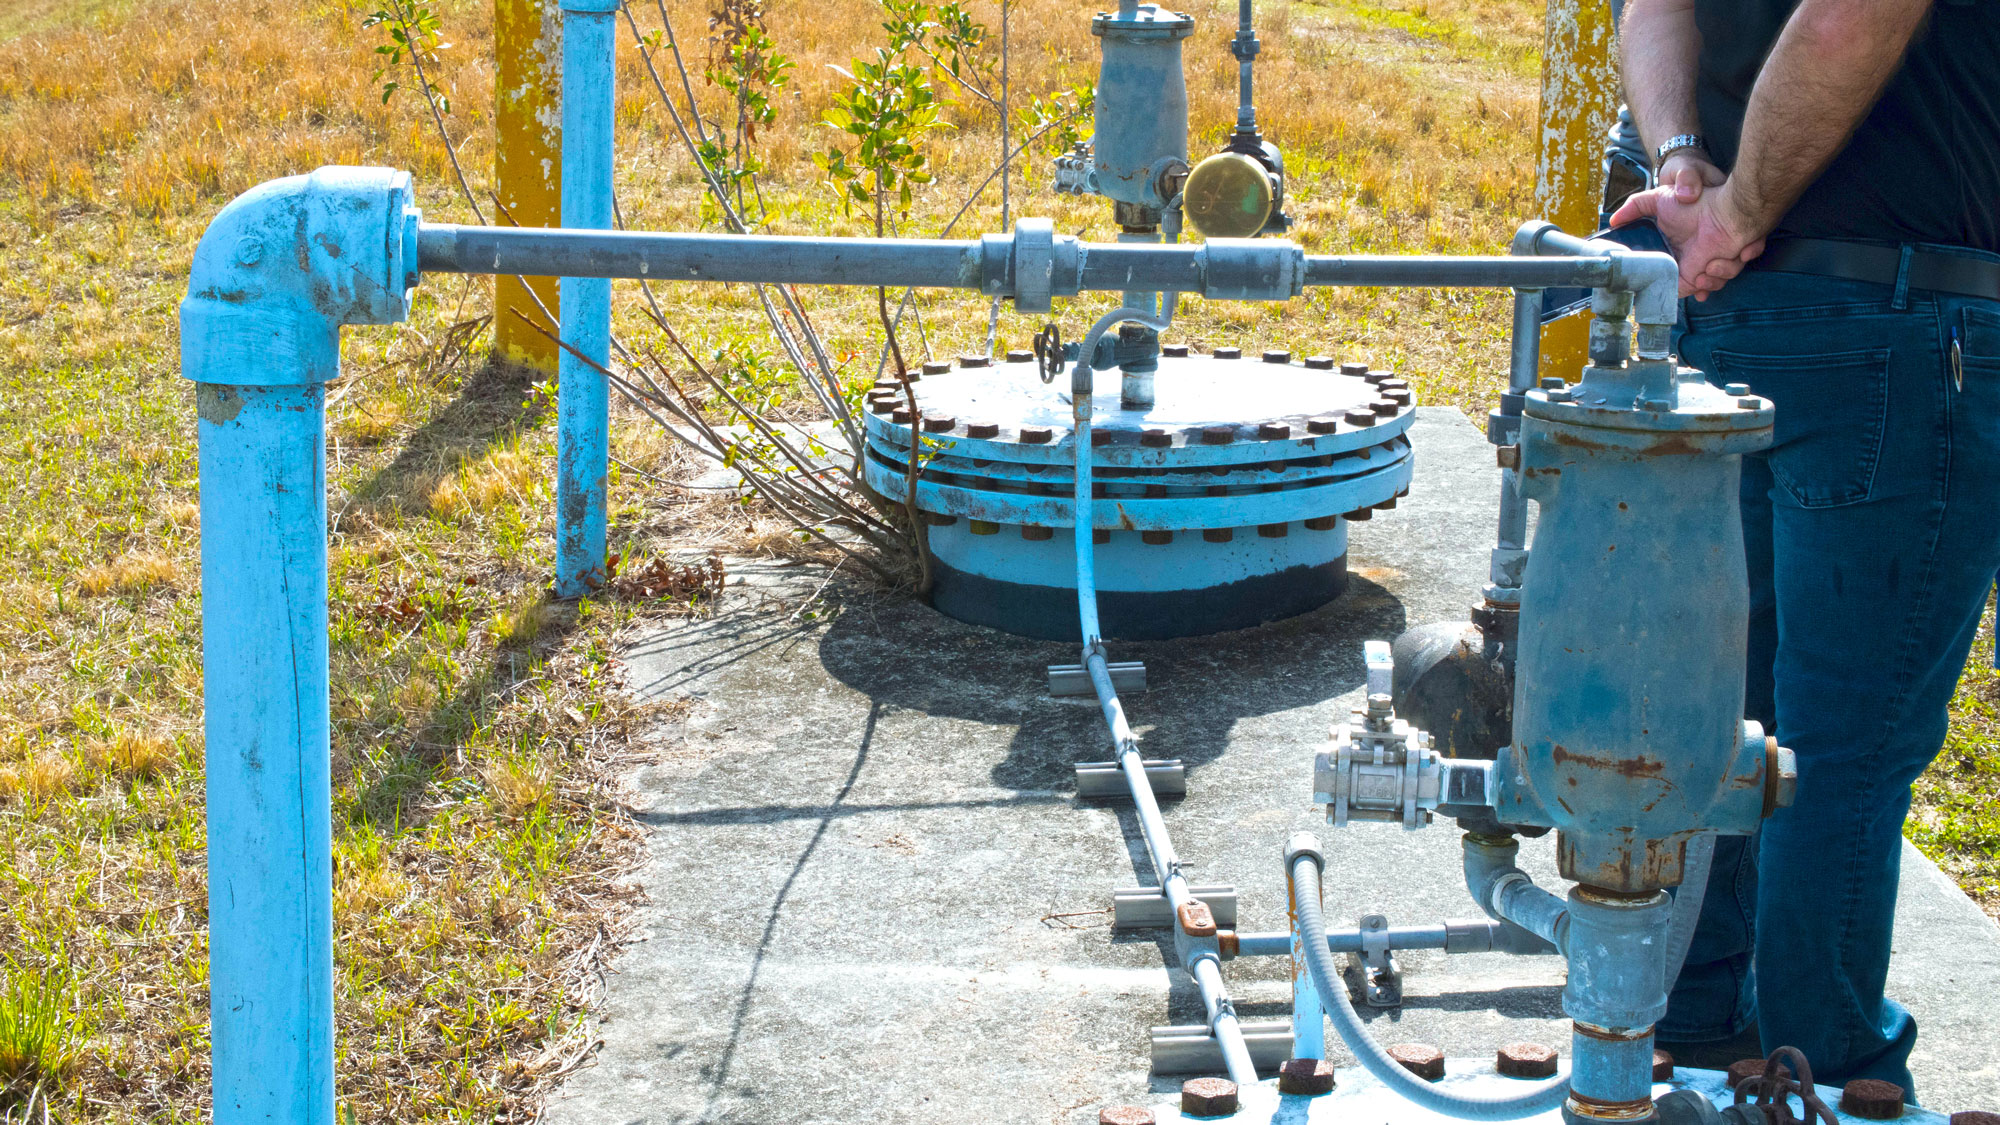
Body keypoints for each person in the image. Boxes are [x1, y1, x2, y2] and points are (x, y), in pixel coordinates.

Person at [1611, 0, 2000, 1097]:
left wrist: (1681, 172)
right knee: (1844, 735)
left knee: (1722, 701)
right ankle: (1822, 1069)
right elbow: (1846, 16)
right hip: (1894, 312)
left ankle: (1692, 1022)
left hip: (1736, 306)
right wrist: (1730, 206)